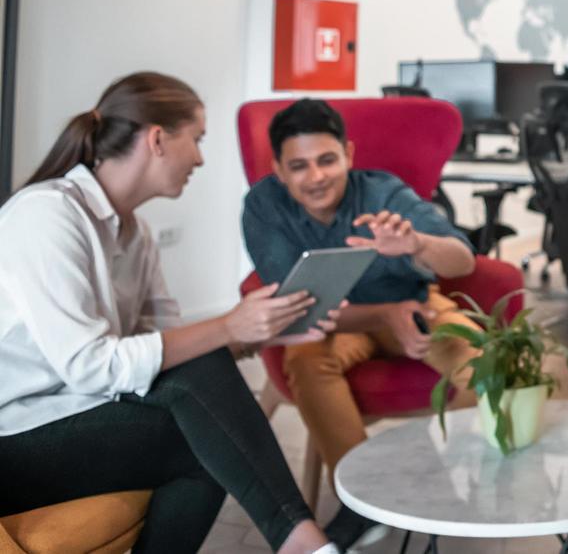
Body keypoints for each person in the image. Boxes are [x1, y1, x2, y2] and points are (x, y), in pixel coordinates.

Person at [0, 73, 342, 554]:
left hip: (73, 408)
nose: (201, 157)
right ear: (158, 139)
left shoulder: (135, 234)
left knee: (206, 410)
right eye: (197, 139)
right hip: (13, 435)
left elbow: (176, 350)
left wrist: (262, 332)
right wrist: (227, 325)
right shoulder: (46, 215)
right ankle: (301, 539)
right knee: (205, 440)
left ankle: (299, 539)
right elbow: (90, 365)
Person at [242, 97, 483, 547]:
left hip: (415, 307)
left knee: (485, 362)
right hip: (331, 324)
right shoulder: (263, 207)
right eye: (299, 166)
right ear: (278, 168)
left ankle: (489, 482)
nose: (316, 178)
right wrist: (385, 315)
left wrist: (415, 244)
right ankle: (362, 500)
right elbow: (299, 308)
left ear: (349, 155)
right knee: (307, 362)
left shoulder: (383, 192)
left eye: (328, 160)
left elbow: (463, 261)